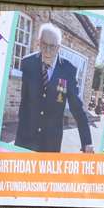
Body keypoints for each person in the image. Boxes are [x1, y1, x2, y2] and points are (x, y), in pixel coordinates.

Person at [14, 23, 94, 153]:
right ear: (38, 42)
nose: (47, 51)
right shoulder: (27, 63)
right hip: (25, 138)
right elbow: (25, 100)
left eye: (52, 47)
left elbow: (77, 108)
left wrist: (87, 142)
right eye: (44, 45)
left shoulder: (68, 70)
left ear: (58, 47)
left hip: (50, 143)